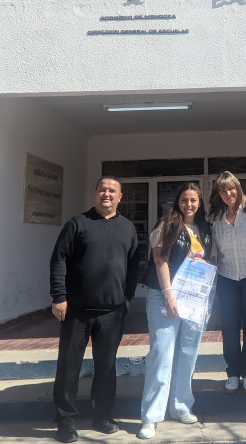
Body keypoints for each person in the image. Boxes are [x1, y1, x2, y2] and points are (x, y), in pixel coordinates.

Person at [49, 176, 139, 444]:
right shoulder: (77, 223)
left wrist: (128, 297)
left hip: (112, 312)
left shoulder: (128, 228)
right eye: (102, 190)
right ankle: (65, 420)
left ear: (120, 197)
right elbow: (59, 259)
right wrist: (59, 296)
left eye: (112, 191)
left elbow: (134, 264)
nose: (107, 194)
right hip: (76, 310)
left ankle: (103, 415)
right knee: (69, 367)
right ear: (95, 193)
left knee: (106, 366)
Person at [138, 182, 213, 439]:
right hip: (164, 297)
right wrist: (169, 296)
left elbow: (209, 264)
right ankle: (151, 417)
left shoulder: (205, 229)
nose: (189, 204)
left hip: (195, 300)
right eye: (184, 199)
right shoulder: (167, 225)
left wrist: (206, 304)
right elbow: (161, 261)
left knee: (188, 354)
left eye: (193, 200)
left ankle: (180, 405)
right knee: (161, 355)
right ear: (177, 202)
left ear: (199, 203)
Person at [208, 171, 246, 394]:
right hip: (226, 279)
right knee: (229, 328)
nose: (227, 193)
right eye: (222, 190)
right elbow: (212, 249)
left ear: (238, 188)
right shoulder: (216, 217)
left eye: (230, 188)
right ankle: (232, 372)